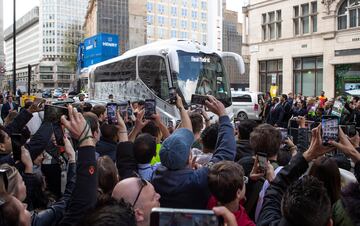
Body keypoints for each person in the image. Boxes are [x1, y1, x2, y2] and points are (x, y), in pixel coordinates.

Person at [152, 94, 236, 209]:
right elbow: (225, 153)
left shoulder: (156, 176)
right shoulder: (197, 180)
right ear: (189, 157)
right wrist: (223, 114)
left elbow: (187, 132)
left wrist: (182, 108)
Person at [207, 161, 255, 226]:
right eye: (244, 180)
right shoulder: (248, 224)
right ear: (238, 193)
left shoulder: (214, 197)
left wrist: (251, 179)